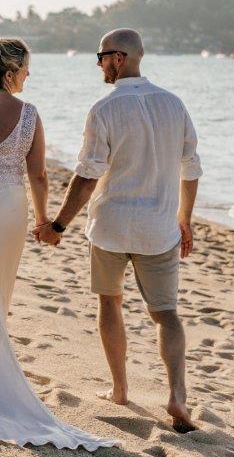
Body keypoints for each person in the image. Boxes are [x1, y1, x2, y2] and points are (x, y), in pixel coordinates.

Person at [0, 37, 118, 452]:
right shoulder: (27, 114)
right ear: (11, 72)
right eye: (27, 68)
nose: (29, 75)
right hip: (4, 207)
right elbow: (38, 176)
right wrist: (43, 219)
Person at [36, 28, 202, 433]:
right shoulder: (174, 104)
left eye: (101, 57)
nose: (99, 64)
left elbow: (87, 177)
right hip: (158, 228)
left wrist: (57, 225)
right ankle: (177, 396)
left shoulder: (104, 109)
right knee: (166, 314)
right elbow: (191, 167)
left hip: (110, 227)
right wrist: (185, 218)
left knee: (110, 304)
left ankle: (120, 391)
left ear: (119, 58)